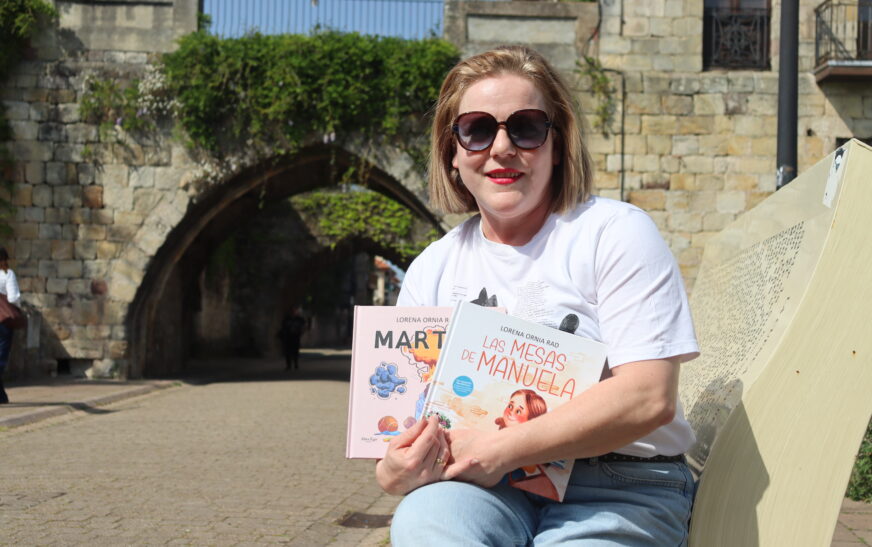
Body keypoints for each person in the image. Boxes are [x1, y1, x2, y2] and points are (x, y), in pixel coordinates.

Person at [376, 46, 700, 545]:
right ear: (453, 151)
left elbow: (648, 396)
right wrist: (397, 470)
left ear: (556, 142)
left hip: (619, 484)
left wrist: (500, 449)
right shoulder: (433, 269)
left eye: (525, 127)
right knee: (426, 524)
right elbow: (400, 433)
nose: (502, 147)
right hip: (485, 487)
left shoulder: (614, 233)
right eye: (478, 129)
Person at [0, 247, 21, 404]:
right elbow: (13, 298)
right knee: (1, 358)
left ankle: (1, 396)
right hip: (3, 320)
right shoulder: (7, 274)